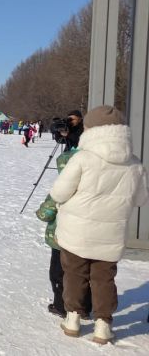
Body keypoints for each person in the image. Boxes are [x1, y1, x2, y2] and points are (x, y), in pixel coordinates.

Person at [50, 105, 149, 344]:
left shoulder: (82, 157)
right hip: (111, 233)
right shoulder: (135, 164)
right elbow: (141, 199)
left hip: (77, 231)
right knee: (104, 278)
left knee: (73, 273)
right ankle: (103, 324)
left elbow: (59, 193)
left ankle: (73, 318)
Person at [36, 148, 92, 319]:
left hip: (60, 239)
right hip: (87, 240)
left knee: (59, 273)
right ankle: (84, 306)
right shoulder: (93, 189)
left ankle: (61, 305)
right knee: (85, 273)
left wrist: (41, 212)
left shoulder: (63, 188)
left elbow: (46, 213)